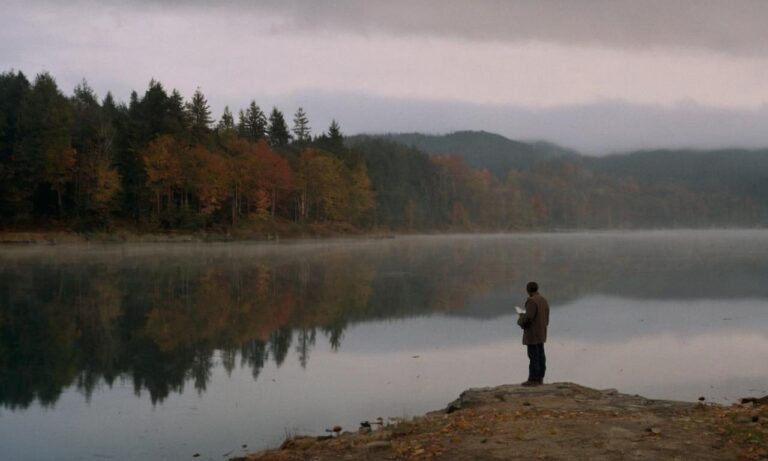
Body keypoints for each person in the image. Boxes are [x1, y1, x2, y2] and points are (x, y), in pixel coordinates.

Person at [517, 281, 550, 386]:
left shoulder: (531, 301)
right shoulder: (543, 300)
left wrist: (521, 318)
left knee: (533, 356)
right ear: (537, 289)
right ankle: (540, 378)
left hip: (533, 334)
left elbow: (529, 318)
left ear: (528, 290)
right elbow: (546, 317)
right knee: (540, 356)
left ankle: (533, 380)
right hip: (541, 332)